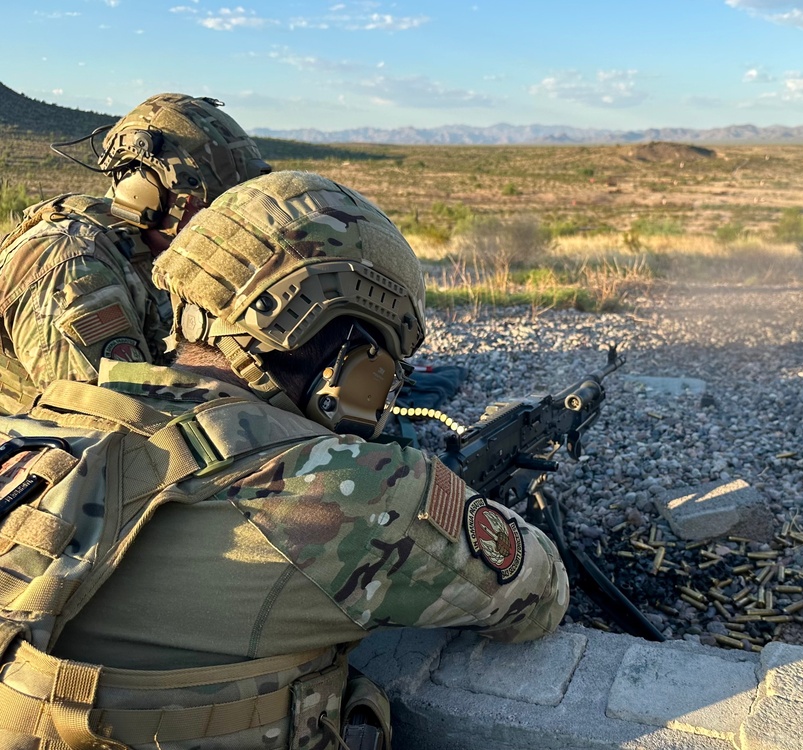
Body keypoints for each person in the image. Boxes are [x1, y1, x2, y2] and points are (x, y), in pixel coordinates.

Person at [0, 171, 568, 749]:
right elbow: (537, 597)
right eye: (387, 370)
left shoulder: (33, 430)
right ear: (355, 365)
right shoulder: (356, 490)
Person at [0, 93, 271, 415]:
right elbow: (105, 423)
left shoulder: (157, 254)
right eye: (207, 205)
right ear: (144, 190)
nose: (223, 226)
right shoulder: (74, 263)